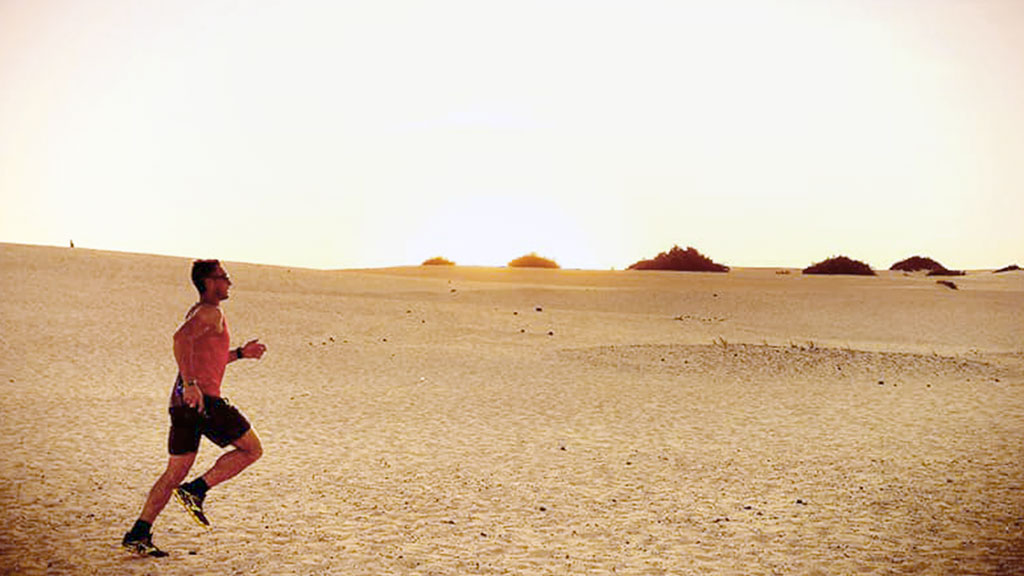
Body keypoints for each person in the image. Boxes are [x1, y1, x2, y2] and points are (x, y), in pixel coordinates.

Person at [122, 259, 267, 557]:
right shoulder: (209, 312)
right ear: (209, 282)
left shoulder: (200, 312)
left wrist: (241, 353)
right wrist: (190, 383)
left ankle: (138, 533)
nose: (229, 282)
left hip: (183, 403)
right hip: (203, 401)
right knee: (252, 450)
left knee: (173, 473)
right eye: (223, 277)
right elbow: (179, 339)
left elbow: (209, 357)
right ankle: (196, 490)